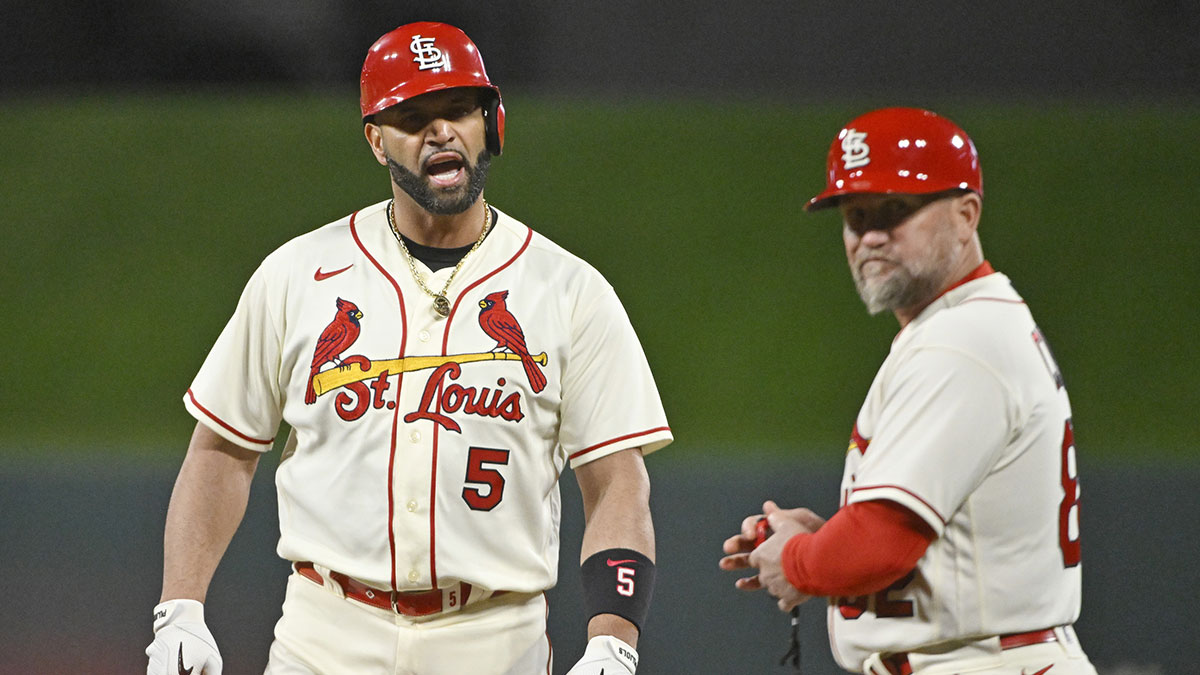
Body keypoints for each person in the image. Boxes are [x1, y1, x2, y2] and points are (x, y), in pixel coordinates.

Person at [146, 21, 671, 675]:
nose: (440, 129)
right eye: (411, 115)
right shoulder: (297, 275)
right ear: (375, 139)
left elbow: (618, 482)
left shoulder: (570, 291)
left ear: (492, 120)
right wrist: (181, 609)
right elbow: (222, 449)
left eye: (458, 108)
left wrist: (614, 639)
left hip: (495, 639)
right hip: (325, 635)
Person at [720, 107, 1097, 675]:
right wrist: (826, 543)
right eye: (856, 215)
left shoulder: (958, 342)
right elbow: (914, 542)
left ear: (967, 215)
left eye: (897, 210)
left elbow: (881, 541)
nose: (870, 235)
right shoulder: (971, 325)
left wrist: (797, 561)